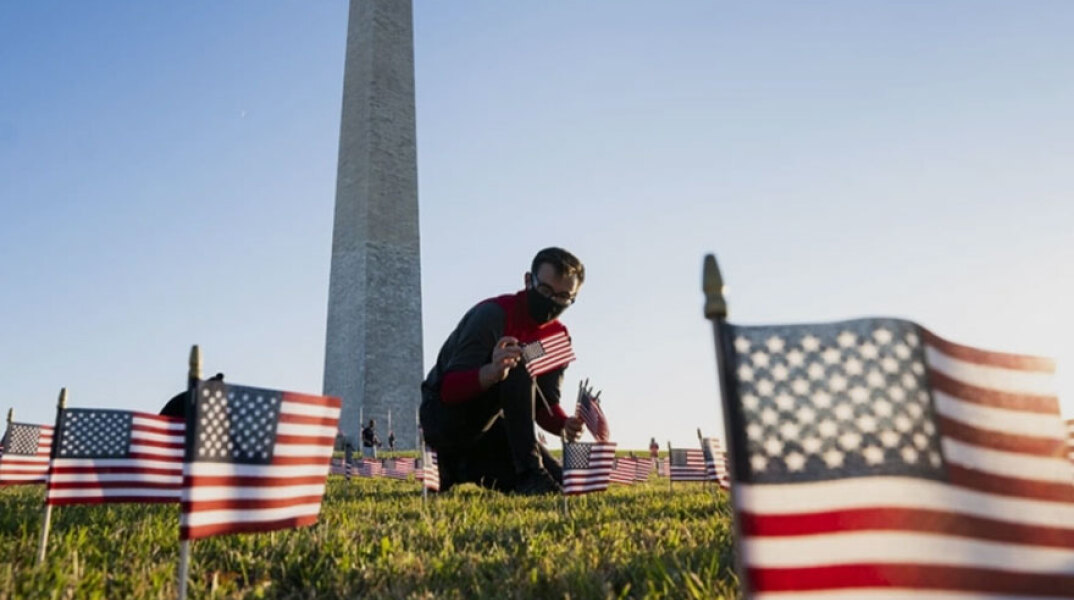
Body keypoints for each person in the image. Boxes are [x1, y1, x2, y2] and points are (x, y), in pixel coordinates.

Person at [420, 247, 587, 495]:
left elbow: (544, 405)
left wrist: (565, 423)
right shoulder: (493, 315)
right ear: (528, 280)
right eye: (545, 291)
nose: (552, 302)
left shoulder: (556, 337)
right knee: (517, 363)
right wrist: (492, 372)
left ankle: (458, 468)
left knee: (560, 484)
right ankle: (527, 472)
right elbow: (448, 390)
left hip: (494, 428)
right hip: (446, 418)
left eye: (563, 297)